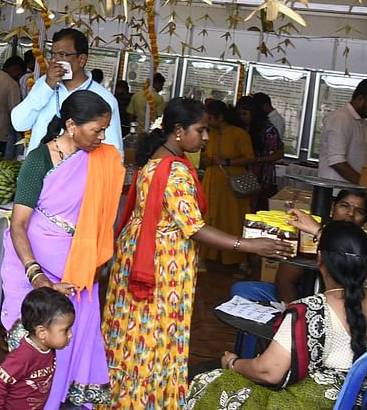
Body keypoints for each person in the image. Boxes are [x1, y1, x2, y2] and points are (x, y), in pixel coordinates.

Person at [104, 98, 292, 409]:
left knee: (133, 332)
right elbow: (194, 228)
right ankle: (148, 401)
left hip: (138, 253)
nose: (205, 137)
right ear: (178, 131)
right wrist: (248, 245)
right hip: (162, 263)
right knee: (156, 333)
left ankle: (125, 396)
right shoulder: (175, 171)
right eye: (200, 130)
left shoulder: (157, 157)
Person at [185, 222, 367, 409]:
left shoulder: (313, 310)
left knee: (210, 381)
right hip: (349, 401)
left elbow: (268, 371)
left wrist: (233, 363)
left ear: (319, 258)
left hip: (310, 403)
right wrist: (319, 230)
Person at [0, 91, 124, 408]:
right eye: (97, 129)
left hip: (79, 268)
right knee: (38, 341)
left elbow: (103, 215)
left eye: (105, 129)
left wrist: (97, 259)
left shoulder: (101, 160)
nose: (103, 137)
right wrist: (36, 275)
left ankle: (60, 400)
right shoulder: (39, 160)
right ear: (71, 125)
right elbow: (18, 225)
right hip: (33, 267)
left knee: (71, 336)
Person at [233, 189, 367, 305]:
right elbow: (285, 281)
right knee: (242, 290)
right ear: (332, 209)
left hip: (343, 304)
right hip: (302, 297)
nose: (350, 214)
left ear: (365, 220)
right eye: (344, 206)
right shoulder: (308, 239)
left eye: (359, 211)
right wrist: (295, 314)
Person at [11, 28, 122, 157]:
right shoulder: (43, 85)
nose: (55, 61)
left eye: (62, 55)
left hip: (78, 174)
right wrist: (47, 86)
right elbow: (19, 124)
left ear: (81, 59)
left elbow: (114, 151)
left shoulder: (104, 98)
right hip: (38, 171)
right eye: (53, 54)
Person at [0, 287, 75, 410]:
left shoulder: (48, 349)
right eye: (65, 330)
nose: (70, 335)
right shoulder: (23, 356)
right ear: (42, 333)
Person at [200, 101, 258, 270]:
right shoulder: (210, 134)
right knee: (208, 218)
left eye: (210, 118)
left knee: (233, 220)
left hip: (231, 185)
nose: (207, 122)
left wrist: (227, 161)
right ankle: (204, 257)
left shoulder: (239, 134)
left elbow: (250, 158)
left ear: (220, 118)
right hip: (211, 182)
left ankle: (241, 260)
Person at [318, 79, 367, 183]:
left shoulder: (364, 124)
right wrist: (364, 184)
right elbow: (336, 161)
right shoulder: (341, 118)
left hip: (353, 191)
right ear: (360, 99)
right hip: (334, 192)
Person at [237, 95, 284, 212]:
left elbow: (279, 153)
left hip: (261, 174)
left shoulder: (267, 129)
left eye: (245, 114)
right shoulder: (241, 128)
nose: (242, 117)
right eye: (239, 114)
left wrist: (257, 160)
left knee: (256, 207)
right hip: (242, 172)